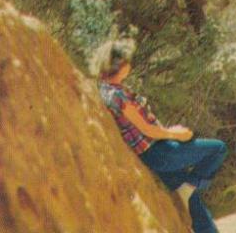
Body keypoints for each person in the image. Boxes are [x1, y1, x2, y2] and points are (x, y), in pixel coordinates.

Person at [94, 38, 227, 233]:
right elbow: (145, 129)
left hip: (154, 152)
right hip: (158, 152)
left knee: (193, 203)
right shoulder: (117, 95)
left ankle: (190, 194)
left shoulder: (109, 90)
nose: (130, 65)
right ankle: (190, 186)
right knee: (218, 149)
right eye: (127, 62)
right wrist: (176, 134)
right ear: (118, 65)